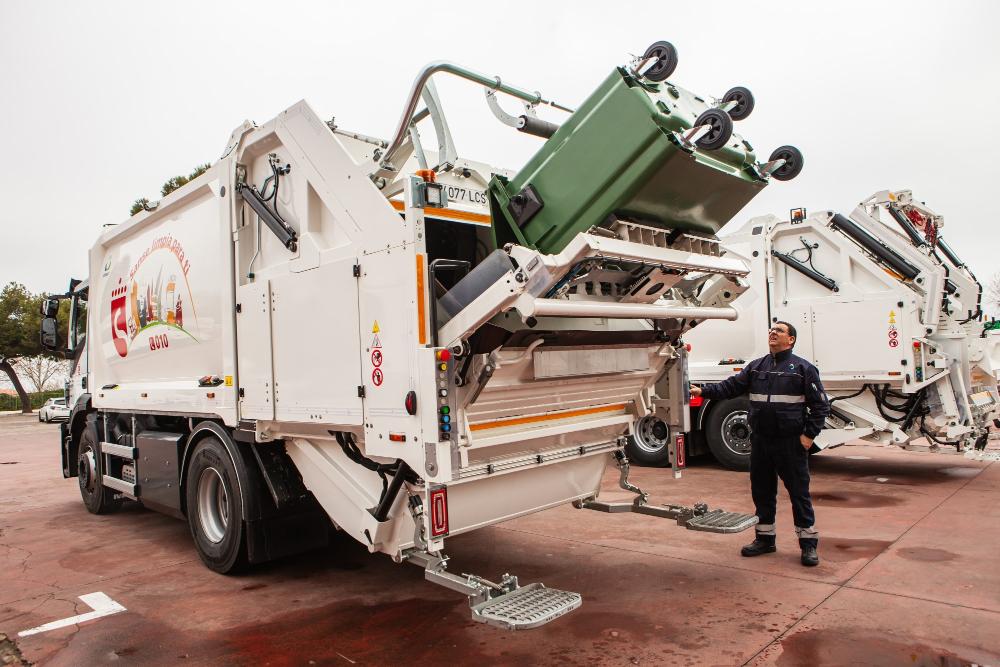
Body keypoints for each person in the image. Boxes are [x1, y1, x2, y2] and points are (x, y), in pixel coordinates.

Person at [690, 321, 830, 566]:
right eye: (771, 330)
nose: (773, 333)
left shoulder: (803, 369)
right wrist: (702, 392)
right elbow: (730, 387)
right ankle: (765, 540)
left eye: (779, 331)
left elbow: (820, 406)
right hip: (761, 442)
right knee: (762, 492)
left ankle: (808, 545)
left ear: (791, 339)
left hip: (790, 443)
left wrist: (808, 437)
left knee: (799, 494)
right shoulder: (756, 367)